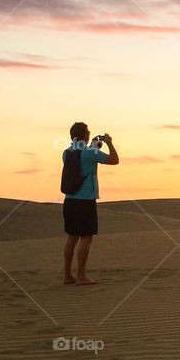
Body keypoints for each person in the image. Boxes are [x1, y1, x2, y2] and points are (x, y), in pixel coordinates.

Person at [62, 122, 119, 285]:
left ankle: (67, 275)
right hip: (85, 200)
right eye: (88, 132)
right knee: (86, 237)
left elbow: (82, 158)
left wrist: (94, 145)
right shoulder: (90, 152)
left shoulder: (66, 152)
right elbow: (114, 160)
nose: (89, 133)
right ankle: (81, 276)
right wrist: (109, 143)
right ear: (84, 135)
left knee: (71, 237)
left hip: (70, 200)